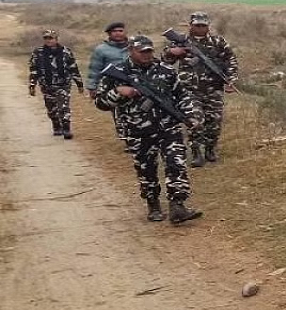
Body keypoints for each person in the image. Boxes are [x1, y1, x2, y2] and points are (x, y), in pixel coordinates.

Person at [94, 34, 203, 225]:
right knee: (146, 170)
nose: (146, 55)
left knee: (176, 164)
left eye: (149, 51)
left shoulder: (166, 71)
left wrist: (192, 115)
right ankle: (153, 204)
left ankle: (178, 206)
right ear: (130, 51)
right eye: (142, 51)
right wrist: (118, 93)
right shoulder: (118, 72)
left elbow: (182, 96)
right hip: (137, 131)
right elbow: (101, 103)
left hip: (168, 127)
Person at [162, 11, 239, 167]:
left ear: (208, 26)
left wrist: (230, 80)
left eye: (203, 25)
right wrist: (172, 52)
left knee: (214, 122)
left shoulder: (218, 42)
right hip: (189, 90)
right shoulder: (180, 41)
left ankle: (210, 150)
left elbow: (231, 60)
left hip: (213, 89)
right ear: (190, 25)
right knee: (195, 120)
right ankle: (196, 152)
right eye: (197, 25)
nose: (200, 28)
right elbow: (165, 60)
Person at [27, 29, 84, 139]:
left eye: (51, 38)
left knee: (64, 106)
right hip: (46, 85)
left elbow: (73, 68)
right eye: (46, 38)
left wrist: (79, 84)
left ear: (56, 39)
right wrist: (32, 85)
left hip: (63, 84)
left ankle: (66, 129)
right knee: (51, 108)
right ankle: (56, 126)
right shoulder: (38, 52)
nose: (48, 40)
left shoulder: (66, 51)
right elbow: (34, 69)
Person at [85, 21, 131, 143]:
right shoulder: (101, 50)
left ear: (125, 32)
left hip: (133, 84)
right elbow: (95, 69)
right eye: (114, 31)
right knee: (117, 111)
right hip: (111, 86)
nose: (117, 34)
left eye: (120, 31)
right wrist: (92, 87)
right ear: (109, 34)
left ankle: (134, 137)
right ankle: (125, 137)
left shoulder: (133, 46)